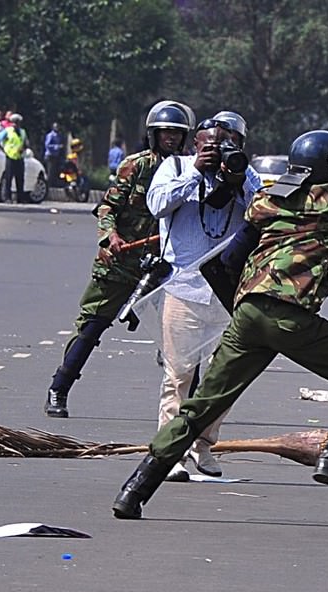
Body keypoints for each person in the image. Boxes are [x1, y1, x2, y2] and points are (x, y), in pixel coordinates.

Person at [111, 130, 328, 519]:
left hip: (247, 315)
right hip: (290, 316)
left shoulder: (267, 199)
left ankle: (134, 490)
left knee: (199, 409)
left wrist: (248, 311)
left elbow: (228, 262)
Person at [44, 101, 193, 418]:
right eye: (165, 133)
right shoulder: (135, 166)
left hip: (163, 270)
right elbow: (107, 209)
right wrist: (109, 237)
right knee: (91, 327)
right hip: (120, 264)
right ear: (153, 135)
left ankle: (190, 411)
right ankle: (59, 388)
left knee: (180, 338)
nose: (171, 139)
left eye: (177, 135)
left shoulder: (188, 171)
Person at [146, 115, 263, 482]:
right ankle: (171, 450)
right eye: (212, 144)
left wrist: (238, 177)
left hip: (229, 292)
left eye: (228, 143)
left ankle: (204, 446)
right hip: (184, 287)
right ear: (196, 145)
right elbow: (157, 204)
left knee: (220, 378)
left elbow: (263, 210)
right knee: (178, 375)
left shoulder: (245, 171)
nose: (220, 150)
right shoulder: (175, 166)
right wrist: (196, 172)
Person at [0, 113, 29, 203]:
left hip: (20, 157)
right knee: (8, 178)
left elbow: (26, 143)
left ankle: (20, 198)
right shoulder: (7, 131)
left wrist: (24, 149)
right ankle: (7, 198)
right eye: (14, 122)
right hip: (10, 157)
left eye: (17, 122)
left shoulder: (23, 132)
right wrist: (4, 150)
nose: (15, 124)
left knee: (20, 179)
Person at [44, 122, 65, 186]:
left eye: (58, 127)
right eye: (56, 127)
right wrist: (56, 146)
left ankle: (53, 185)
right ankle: (48, 185)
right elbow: (47, 145)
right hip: (50, 155)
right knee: (50, 172)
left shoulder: (58, 135)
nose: (57, 128)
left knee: (54, 171)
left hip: (56, 156)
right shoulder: (50, 135)